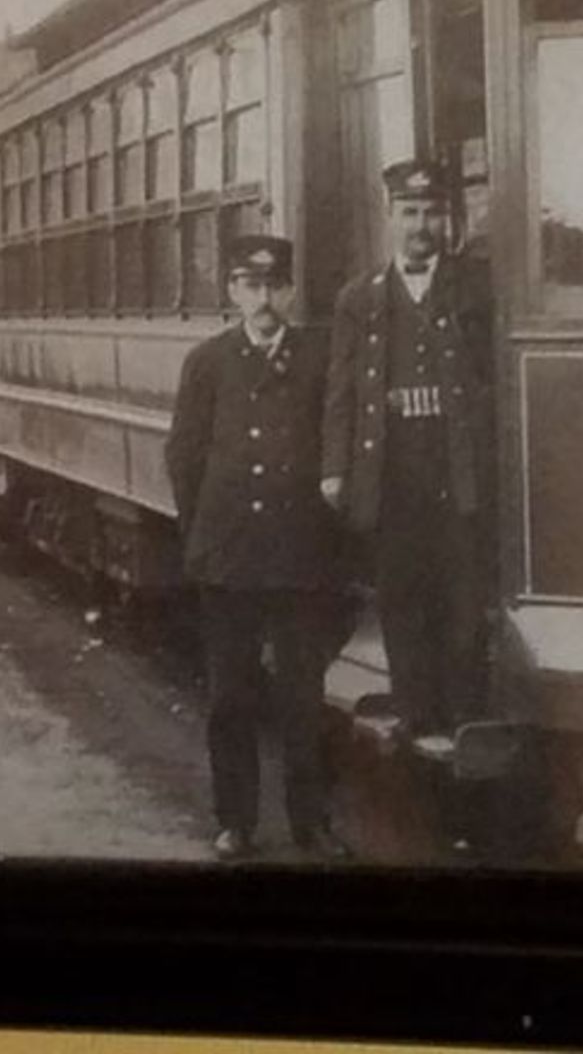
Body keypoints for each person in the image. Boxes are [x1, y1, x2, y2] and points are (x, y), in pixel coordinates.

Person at [166, 235, 349, 861]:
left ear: (290, 291)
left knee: (305, 699)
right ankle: (235, 821)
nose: (264, 298)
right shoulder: (208, 362)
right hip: (230, 558)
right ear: (233, 291)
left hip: (300, 557)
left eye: (274, 285)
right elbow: (184, 457)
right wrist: (205, 538)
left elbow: (335, 446)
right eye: (250, 284)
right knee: (231, 700)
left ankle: (311, 822)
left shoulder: (319, 358)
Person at [320, 159, 496, 761]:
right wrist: (334, 469)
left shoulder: (476, 287)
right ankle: (419, 713)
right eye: (410, 213)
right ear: (390, 218)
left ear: (446, 218)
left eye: (431, 213)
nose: (421, 225)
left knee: (463, 594)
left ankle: (464, 712)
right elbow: (341, 391)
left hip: (457, 462)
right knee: (402, 594)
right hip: (390, 467)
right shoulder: (360, 298)